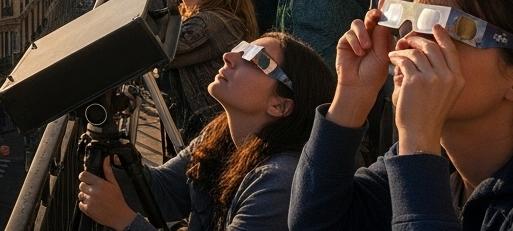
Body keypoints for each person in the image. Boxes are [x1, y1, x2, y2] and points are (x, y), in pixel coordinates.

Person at [290, 0, 513, 230]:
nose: (408, 43)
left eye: (447, 31)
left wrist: (418, 141)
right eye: (409, 22)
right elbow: (316, 223)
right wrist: (352, 96)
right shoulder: (438, 160)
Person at [78, 32, 337, 230]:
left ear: (279, 105)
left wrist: (124, 221)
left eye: (256, 59)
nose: (230, 56)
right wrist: (116, 158)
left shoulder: (280, 181)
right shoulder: (222, 134)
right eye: (242, 48)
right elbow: (166, 192)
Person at [160, 0, 260, 140]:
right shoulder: (202, 17)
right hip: (199, 130)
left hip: (209, 133)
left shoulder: (213, 23)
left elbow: (160, 50)